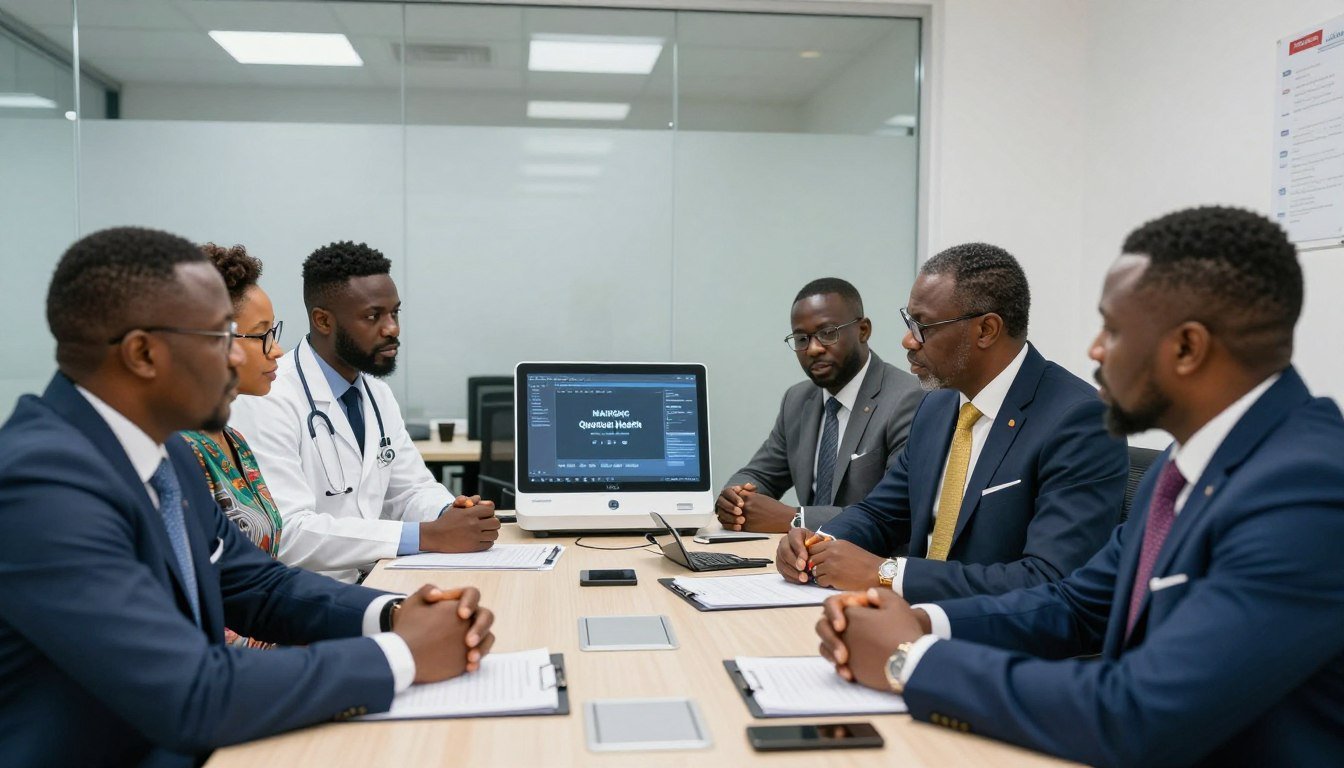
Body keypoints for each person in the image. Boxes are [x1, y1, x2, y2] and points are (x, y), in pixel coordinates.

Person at [815, 206, 1344, 766]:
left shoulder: (1306, 490)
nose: (1094, 350)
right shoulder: (1187, 465)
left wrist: (912, 659)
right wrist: (924, 622)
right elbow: (1076, 605)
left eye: (1113, 330)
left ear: (1187, 348)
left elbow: (1139, 712)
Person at [0, 226, 496, 767]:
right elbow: (191, 692)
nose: (245, 358)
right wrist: (401, 655)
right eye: (221, 337)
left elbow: (258, 586)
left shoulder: (166, 456)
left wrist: (395, 613)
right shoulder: (40, 485)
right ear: (143, 353)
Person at [778, 244, 1127, 602]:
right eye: (908, 321)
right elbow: (880, 513)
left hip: (988, 639)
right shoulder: (938, 405)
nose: (908, 340)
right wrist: (820, 542)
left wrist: (886, 574)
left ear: (986, 330)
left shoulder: (1078, 419)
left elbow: (1051, 579)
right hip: (905, 618)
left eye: (923, 326)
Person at [231, 241, 498, 582]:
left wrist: (452, 513)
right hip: (307, 593)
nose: (392, 328)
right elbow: (287, 531)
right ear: (324, 321)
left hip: (377, 577)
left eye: (395, 313)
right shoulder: (267, 394)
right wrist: (425, 536)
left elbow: (410, 490)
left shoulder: (376, 394)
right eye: (373, 316)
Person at [716, 278, 924, 534]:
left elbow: (896, 512)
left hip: (870, 564)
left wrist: (796, 519)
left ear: (863, 330)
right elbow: (759, 475)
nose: (813, 349)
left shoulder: (908, 398)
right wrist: (734, 499)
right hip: (798, 562)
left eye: (828, 333)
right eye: (802, 339)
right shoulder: (798, 400)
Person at [179, 243, 285, 647]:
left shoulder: (233, 440)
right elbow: (195, 612)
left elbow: (267, 579)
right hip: (232, 671)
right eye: (261, 335)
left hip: (275, 644)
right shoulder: (180, 450)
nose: (276, 350)